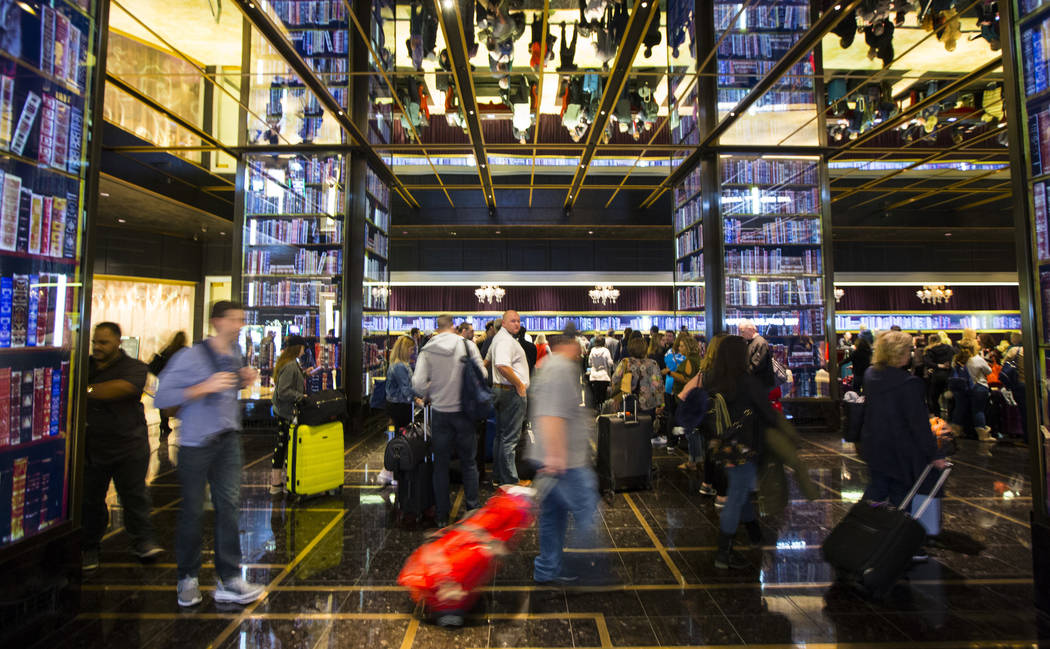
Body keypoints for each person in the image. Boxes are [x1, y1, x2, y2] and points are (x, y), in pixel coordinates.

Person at [154, 301, 264, 607]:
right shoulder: (191, 357)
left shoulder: (236, 354)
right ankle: (186, 578)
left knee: (228, 508)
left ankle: (229, 578)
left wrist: (242, 380)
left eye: (242, 319)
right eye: (234, 320)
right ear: (217, 321)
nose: (240, 325)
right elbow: (161, 396)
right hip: (196, 443)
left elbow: (226, 392)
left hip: (229, 441)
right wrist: (202, 387)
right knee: (193, 510)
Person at [81, 322, 163, 571]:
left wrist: (86, 388)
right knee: (90, 500)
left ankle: (143, 541)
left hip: (129, 446)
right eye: (95, 341)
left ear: (118, 343)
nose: (97, 347)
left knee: (134, 496)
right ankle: (89, 546)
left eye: (103, 342)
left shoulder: (134, 368)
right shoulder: (86, 366)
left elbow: (120, 389)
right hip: (93, 446)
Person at [700, 335, 783, 570]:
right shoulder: (747, 382)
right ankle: (723, 553)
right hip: (744, 447)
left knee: (741, 489)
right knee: (737, 495)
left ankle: (755, 536)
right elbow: (766, 413)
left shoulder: (712, 380)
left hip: (722, 446)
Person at [529, 334, 600, 585]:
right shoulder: (560, 369)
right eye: (578, 346)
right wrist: (556, 457)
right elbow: (552, 415)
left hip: (553, 458)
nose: (581, 350)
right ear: (567, 345)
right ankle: (589, 570)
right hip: (565, 460)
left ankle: (547, 569)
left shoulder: (549, 366)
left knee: (552, 515)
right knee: (585, 511)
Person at [859, 330, 948, 509]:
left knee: (876, 493)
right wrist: (934, 454)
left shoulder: (871, 375)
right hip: (902, 452)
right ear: (901, 353)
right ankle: (899, 533)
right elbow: (919, 424)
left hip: (875, 446)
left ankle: (868, 529)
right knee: (903, 500)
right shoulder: (909, 384)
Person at [412, 315, 486, 526]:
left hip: (440, 413)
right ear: (453, 326)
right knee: (469, 463)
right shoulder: (466, 345)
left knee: (441, 466)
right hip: (464, 412)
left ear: (437, 328)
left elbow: (417, 384)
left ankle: (442, 516)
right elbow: (482, 373)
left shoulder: (427, 349)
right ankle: (472, 509)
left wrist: (432, 388)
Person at [486, 310, 530, 487]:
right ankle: (511, 482)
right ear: (503, 323)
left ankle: (499, 477)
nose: (517, 324)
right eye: (513, 321)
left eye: (518, 321)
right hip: (510, 392)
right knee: (510, 439)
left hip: (499, 390)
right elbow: (502, 365)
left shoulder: (498, 339)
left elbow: (486, 361)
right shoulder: (505, 341)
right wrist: (519, 385)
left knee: (501, 436)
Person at [270, 334, 311, 495]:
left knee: (283, 446)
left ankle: (281, 481)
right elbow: (283, 391)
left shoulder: (290, 363)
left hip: (283, 411)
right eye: (302, 347)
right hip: (286, 412)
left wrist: (305, 374)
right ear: (297, 348)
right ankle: (276, 483)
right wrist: (301, 397)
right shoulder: (290, 365)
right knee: (282, 446)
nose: (304, 350)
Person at [609, 336, 664, 418]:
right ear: (645, 348)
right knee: (646, 427)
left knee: (629, 426)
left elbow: (615, 380)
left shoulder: (626, 362)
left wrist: (616, 398)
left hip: (629, 402)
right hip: (649, 404)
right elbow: (658, 385)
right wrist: (661, 404)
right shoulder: (653, 364)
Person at [668, 333, 702, 467]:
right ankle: (696, 459)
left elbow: (686, 378)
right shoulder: (697, 359)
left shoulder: (689, 361)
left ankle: (692, 462)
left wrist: (670, 373)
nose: (680, 348)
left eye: (682, 346)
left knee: (691, 432)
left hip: (687, 398)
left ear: (688, 347)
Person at [148, 331, 187, 440]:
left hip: (165, 380)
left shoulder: (168, 349)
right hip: (178, 382)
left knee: (164, 404)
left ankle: (164, 424)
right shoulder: (183, 351)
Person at [962, 340, 994, 442]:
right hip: (980, 386)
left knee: (971, 410)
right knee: (979, 411)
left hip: (968, 388)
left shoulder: (962, 360)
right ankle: (983, 434)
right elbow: (989, 371)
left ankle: (970, 432)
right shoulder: (978, 359)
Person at [385, 336, 417, 431]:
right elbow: (406, 389)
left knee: (399, 433)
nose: (412, 352)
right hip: (399, 406)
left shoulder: (399, 364)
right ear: (405, 349)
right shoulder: (400, 366)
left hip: (397, 404)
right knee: (403, 434)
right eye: (411, 349)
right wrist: (417, 398)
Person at [738, 320, 774, 391]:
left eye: (742, 332)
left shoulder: (760, 342)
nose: (741, 335)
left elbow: (756, 365)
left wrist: (742, 375)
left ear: (750, 329)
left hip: (760, 384)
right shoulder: (752, 342)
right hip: (755, 383)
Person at [923, 332, 954, 415]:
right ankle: (950, 416)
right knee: (949, 398)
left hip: (937, 377)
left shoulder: (930, 350)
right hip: (949, 376)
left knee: (934, 398)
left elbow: (927, 362)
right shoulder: (949, 348)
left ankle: (938, 416)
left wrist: (938, 366)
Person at [587, 335, 614, 407]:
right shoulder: (606, 351)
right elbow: (610, 363)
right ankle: (602, 410)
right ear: (603, 342)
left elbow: (589, 363)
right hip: (604, 376)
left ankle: (596, 409)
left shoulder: (592, 350)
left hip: (594, 377)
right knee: (603, 396)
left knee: (596, 395)